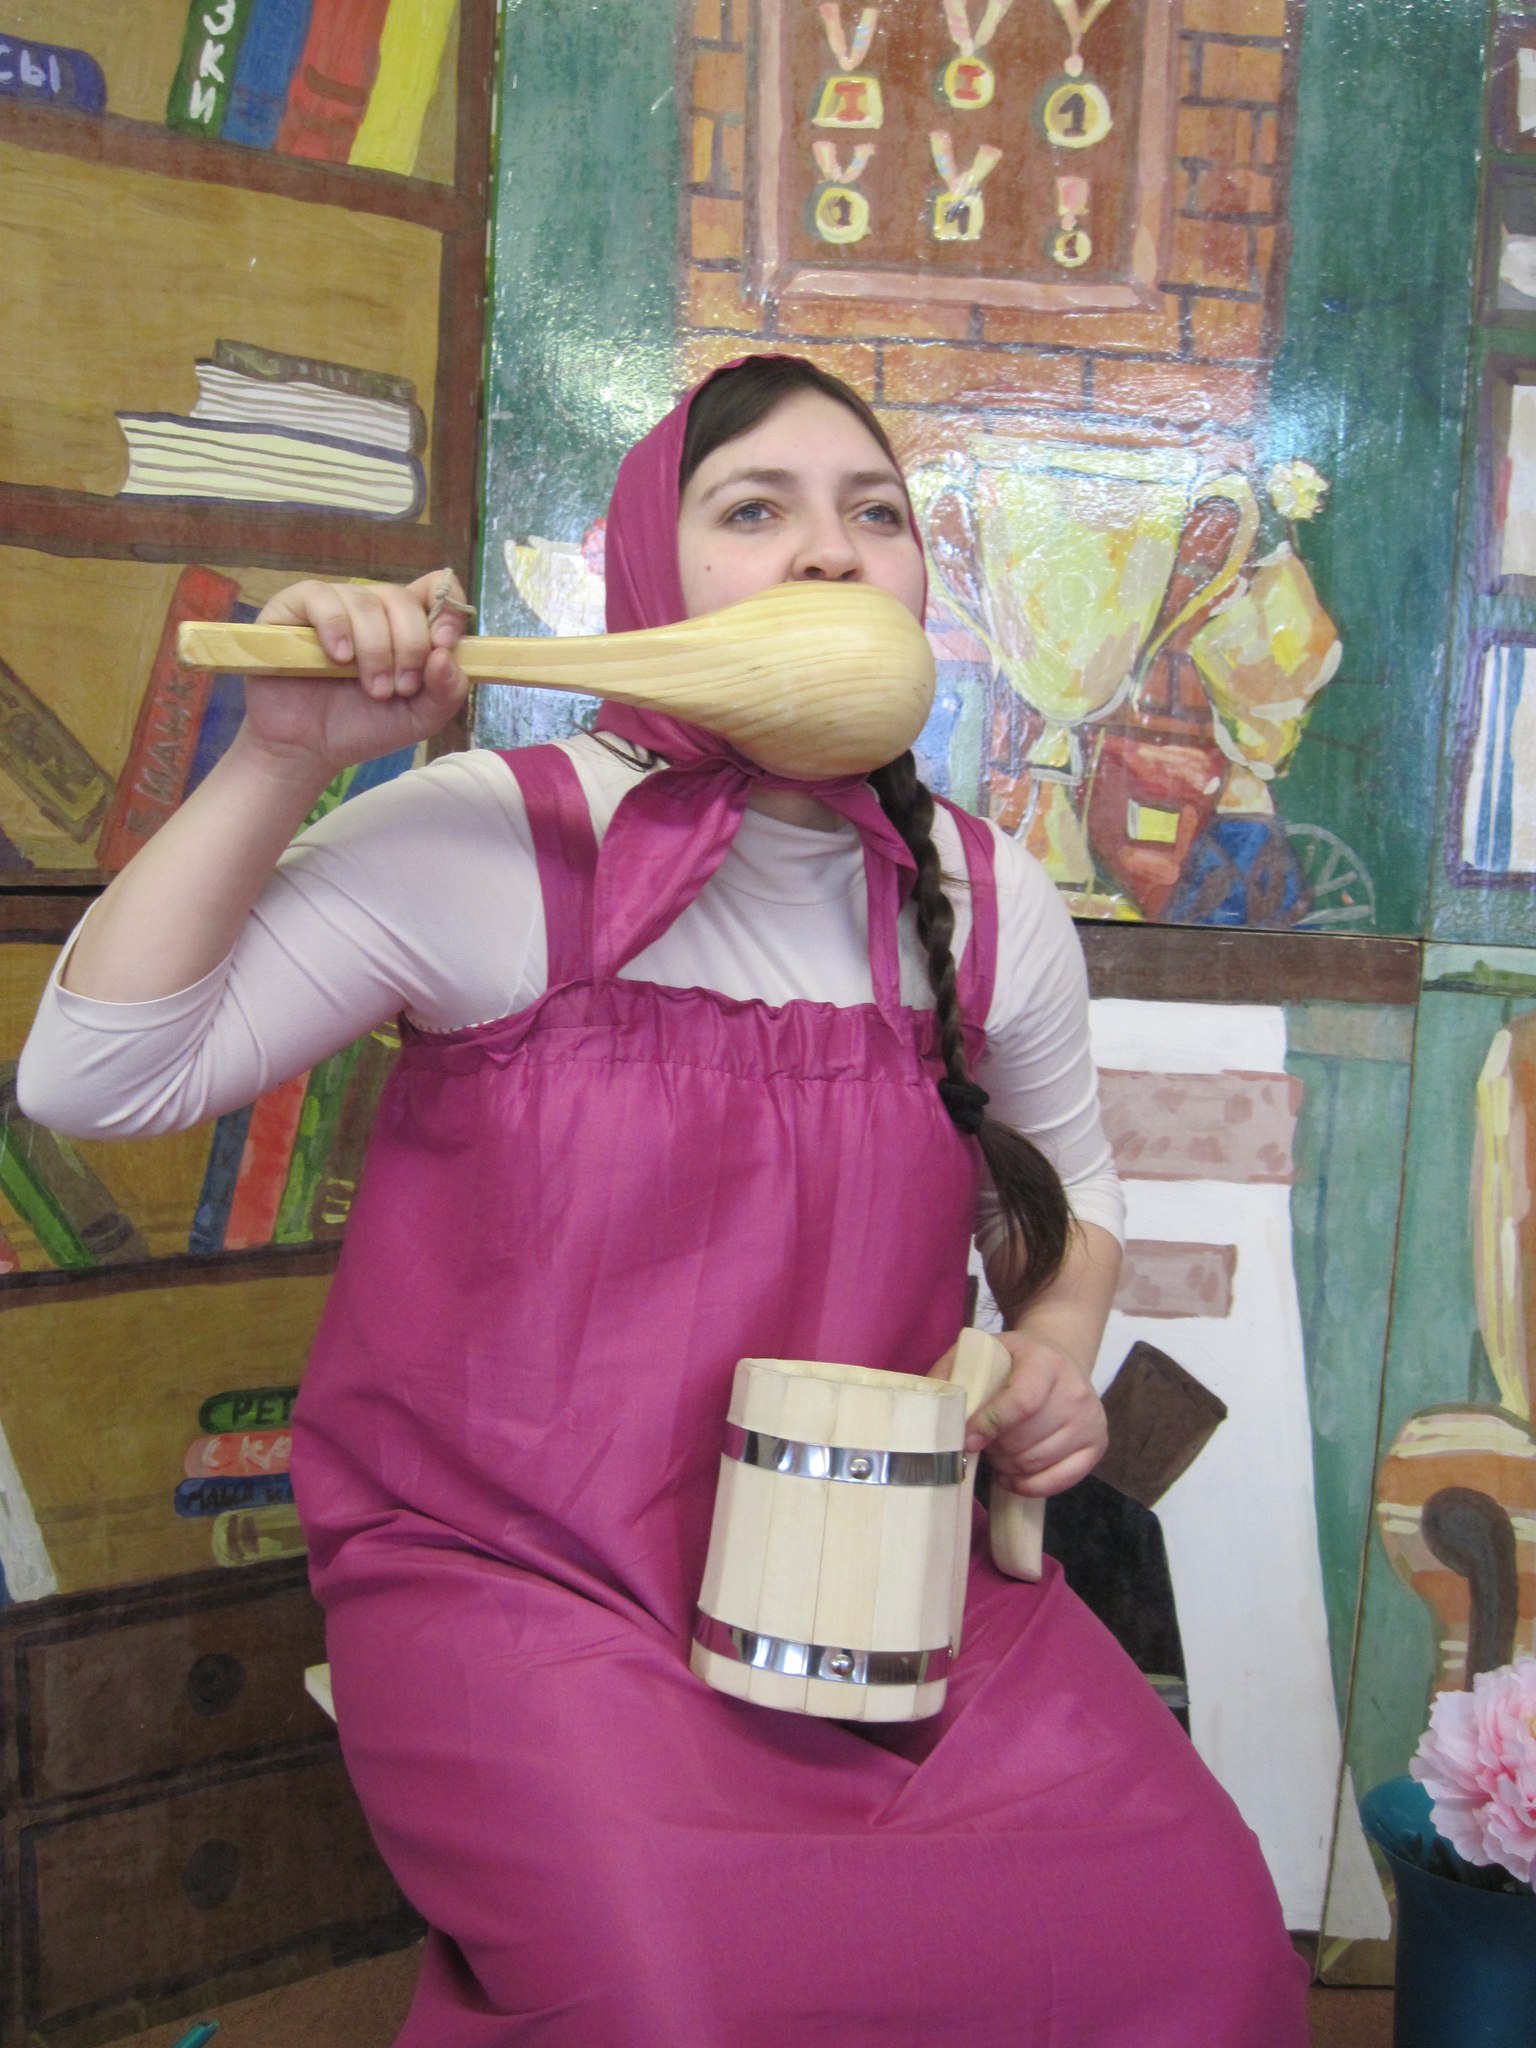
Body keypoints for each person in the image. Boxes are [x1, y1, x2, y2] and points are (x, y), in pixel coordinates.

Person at [18, 355, 1308, 2044]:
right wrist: (282, 758)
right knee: (688, 2000)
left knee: (1205, 1947)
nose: (831, 550)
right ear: (648, 571)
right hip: (519, 1586)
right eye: (755, 510)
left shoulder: (990, 899)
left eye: (875, 515)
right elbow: (93, 1079)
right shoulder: (490, 841)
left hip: (877, 1576)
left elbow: (1065, 1201)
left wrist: (1053, 1355)